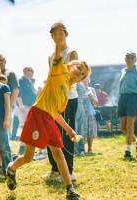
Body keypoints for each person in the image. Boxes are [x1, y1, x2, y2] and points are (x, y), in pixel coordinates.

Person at [6, 42, 91, 200]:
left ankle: (70, 190)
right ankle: (11, 168)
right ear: (69, 67)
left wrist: (68, 129)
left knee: (59, 153)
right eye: (78, 68)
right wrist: (59, 42)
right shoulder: (59, 74)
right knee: (28, 157)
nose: (80, 72)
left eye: (83, 73)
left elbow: (56, 114)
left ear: (82, 79)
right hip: (37, 115)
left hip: (49, 119)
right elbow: (57, 57)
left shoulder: (66, 95)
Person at [44, 22, 79, 182]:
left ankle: (69, 170)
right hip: (52, 100)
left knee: (66, 134)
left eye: (61, 33)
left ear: (66, 34)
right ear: (51, 37)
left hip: (68, 98)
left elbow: (71, 76)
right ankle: (55, 169)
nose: (58, 36)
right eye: (55, 34)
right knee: (51, 134)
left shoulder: (71, 53)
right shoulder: (50, 57)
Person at [117, 51, 137, 160]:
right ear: (125, 59)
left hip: (133, 98)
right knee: (123, 127)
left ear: (135, 60)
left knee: (130, 126)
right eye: (128, 57)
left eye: (132, 57)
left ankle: (127, 152)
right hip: (123, 98)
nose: (130, 59)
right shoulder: (123, 71)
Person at [0, 54, 19, 137]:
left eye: (1, 60)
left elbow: (15, 90)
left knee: (5, 131)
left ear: (5, 61)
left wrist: (10, 106)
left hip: (7, 106)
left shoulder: (11, 74)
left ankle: (4, 150)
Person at [16, 67, 37, 155]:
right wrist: (21, 105)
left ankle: (29, 147)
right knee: (23, 126)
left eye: (32, 70)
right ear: (24, 71)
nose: (31, 72)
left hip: (31, 107)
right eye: (29, 70)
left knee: (30, 127)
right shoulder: (21, 80)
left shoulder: (31, 82)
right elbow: (18, 93)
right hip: (24, 106)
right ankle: (22, 148)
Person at [81, 77, 98, 154]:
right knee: (82, 131)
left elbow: (95, 103)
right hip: (81, 114)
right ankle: (81, 148)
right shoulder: (78, 89)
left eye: (86, 80)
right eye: (83, 79)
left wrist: (91, 96)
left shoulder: (92, 90)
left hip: (90, 113)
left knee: (90, 132)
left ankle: (90, 149)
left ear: (88, 81)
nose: (85, 81)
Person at [74, 81, 86, 156]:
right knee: (80, 129)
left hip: (75, 106)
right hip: (81, 107)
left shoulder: (75, 83)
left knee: (74, 128)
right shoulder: (82, 84)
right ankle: (82, 149)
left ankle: (75, 150)